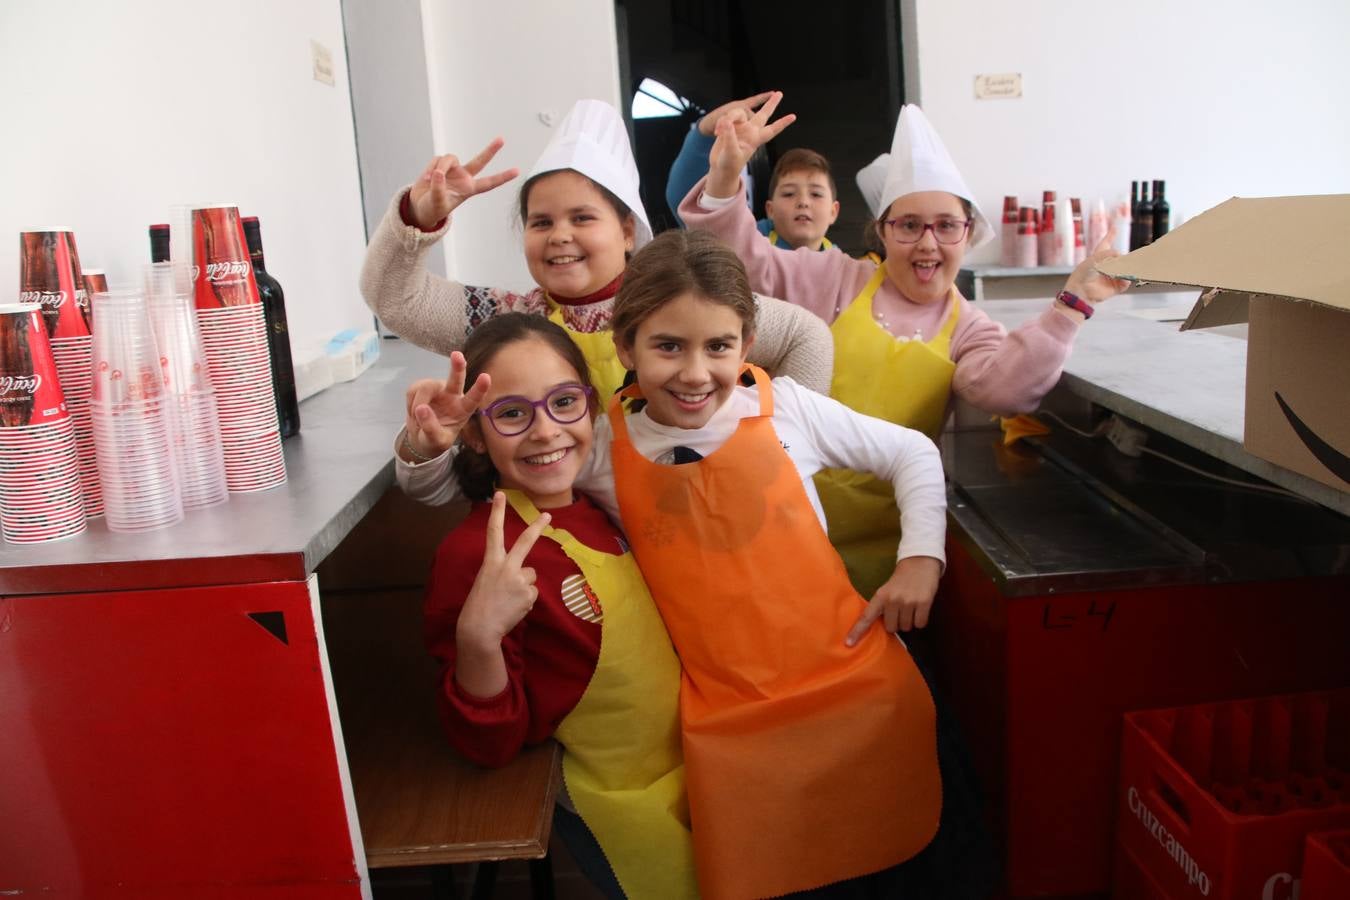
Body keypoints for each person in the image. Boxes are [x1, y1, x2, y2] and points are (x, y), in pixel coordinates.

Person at [400, 229, 952, 898]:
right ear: (625, 347)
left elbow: (912, 453)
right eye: (668, 346)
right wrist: (428, 443)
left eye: (718, 346)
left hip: (853, 689)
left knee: (891, 863)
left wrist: (921, 559)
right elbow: (476, 480)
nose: (695, 373)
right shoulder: (601, 446)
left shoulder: (789, 409)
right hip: (731, 720)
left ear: (747, 345)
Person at [678, 95, 1132, 598]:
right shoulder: (834, 279)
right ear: (883, 232)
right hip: (780, 526)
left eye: (946, 226)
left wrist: (1072, 305)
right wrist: (726, 176)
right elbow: (742, 262)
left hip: (888, 553)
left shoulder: (970, 329)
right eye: (909, 225)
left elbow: (1006, 392)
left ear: (968, 235)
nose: (927, 243)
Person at [421, 313, 697, 899]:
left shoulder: (599, 507)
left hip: (694, 764)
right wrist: (478, 638)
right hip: (620, 801)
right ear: (476, 434)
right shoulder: (476, 555)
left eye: (564, 402)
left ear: (591, 408)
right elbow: (489, 745)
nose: (546, 432)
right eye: (512, 414)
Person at [360, 98, 833, 404]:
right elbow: (396, 300)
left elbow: (805, 336)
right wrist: (417, 218)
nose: (559, 235)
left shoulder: (684, 302)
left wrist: (782, 439)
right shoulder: (504, 320)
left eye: (582, 218)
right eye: (541, 222)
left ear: (627, 231)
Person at [664, 92, 840, 250]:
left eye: (816, 194)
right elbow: (695, 207)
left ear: (834, 211)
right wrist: (705, 133)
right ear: (770, 210)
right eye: (788, 194)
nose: (803, 202)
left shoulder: (844, 267)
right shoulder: (743, 246)